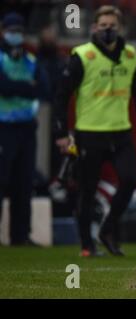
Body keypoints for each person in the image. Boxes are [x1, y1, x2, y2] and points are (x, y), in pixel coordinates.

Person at [54, 6, 136, 257]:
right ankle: (87, 245)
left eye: (112, 25)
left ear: (120, 28)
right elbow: (61, 96)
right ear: (94, 28)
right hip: (89, 132)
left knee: (130, 179)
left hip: (121, 132)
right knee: (87, 190)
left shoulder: (131, 55)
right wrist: (61, 133)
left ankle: (107, 229)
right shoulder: (82, 55)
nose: (108, 30)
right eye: (103, 26)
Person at [0, 12, 50, 245]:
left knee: (24, 181)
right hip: (3, 127)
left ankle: (21, 235)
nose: (16, 35)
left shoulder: (31, 60)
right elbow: (4, 86)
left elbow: (44, 89)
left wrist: (16, 87)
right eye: (12, 30)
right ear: (3, 31)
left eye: (19, 31)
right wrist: (25, 86)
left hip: (27, 129)